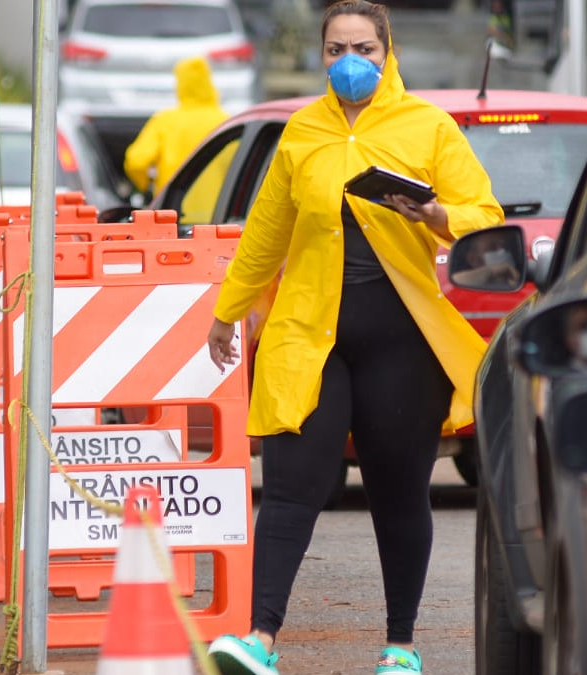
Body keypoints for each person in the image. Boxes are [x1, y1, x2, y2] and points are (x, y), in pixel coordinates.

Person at [204, 3, 504, 674]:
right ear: (321, 53)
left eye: (364, 46)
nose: (350, 60)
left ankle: (400, 645)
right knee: (289, 484)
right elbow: (265, 233)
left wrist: (434, 211)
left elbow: (482, 216)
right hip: (309, 333)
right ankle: (260, 639)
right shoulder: (302, 131)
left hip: (400, 341)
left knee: (398, 492)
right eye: (337, 46)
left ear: (387, 51)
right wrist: (228, 312)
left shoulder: (427, 127)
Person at [123, 55, 230, 198]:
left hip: (173, 211)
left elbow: (136, 162)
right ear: (209, 83)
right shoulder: (226, 121)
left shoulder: (165, 120)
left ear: (181, 85)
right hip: (218, 213)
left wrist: (148, 187)